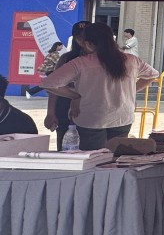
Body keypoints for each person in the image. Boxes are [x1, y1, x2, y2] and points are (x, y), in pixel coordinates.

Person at [40, 22, 158, 150]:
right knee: (115, 157)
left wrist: (75, 96)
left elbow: (48, 84)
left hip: (91, 119)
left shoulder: (80, 63)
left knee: (93, 158)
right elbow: (153, 75)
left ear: (89, 44)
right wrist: (131, 91)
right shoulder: (131, 60)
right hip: (122, 118)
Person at [44, 21, 89, 150]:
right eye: (79, 36)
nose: (82, 39)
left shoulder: (101, 59)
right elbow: (53, 87)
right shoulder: (66, 58)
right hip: (65, 104)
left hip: (90, 105)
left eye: (86, 36)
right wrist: (51, 112)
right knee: (65, 144)